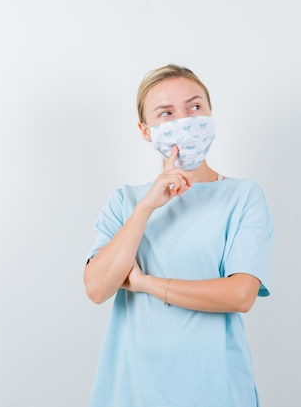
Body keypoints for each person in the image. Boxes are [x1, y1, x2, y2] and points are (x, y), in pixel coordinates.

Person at [83, 64, 275, 407]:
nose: (184, 121)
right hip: (132, 389)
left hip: (214, 387)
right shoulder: (125, 201)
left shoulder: (242, 196)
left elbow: (240, 294)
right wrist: (146, 208)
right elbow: (98, 287)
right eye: (166, 113)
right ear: (146, 131)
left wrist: (145, 284)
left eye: (194, 107)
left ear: (210, 113)